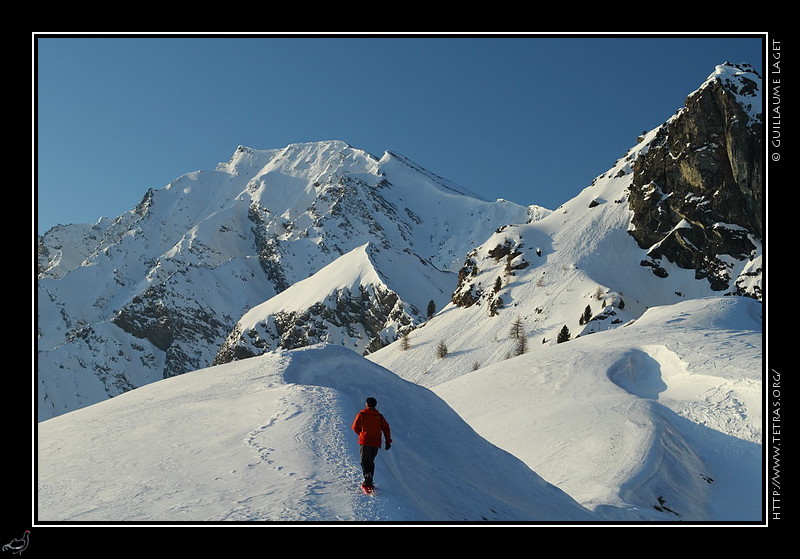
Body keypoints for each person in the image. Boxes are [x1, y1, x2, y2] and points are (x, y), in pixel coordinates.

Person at [351, 397, 392, 489]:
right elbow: (386, 428)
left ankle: (367, 480)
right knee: (370, 461)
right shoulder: (379, 416)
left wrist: (361, 434)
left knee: (364, 461)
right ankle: (370, 479)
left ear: (367, 404)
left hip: (365, 441)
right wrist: (388, 441)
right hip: (376, 442)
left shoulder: (362, 414)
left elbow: (354, 427)